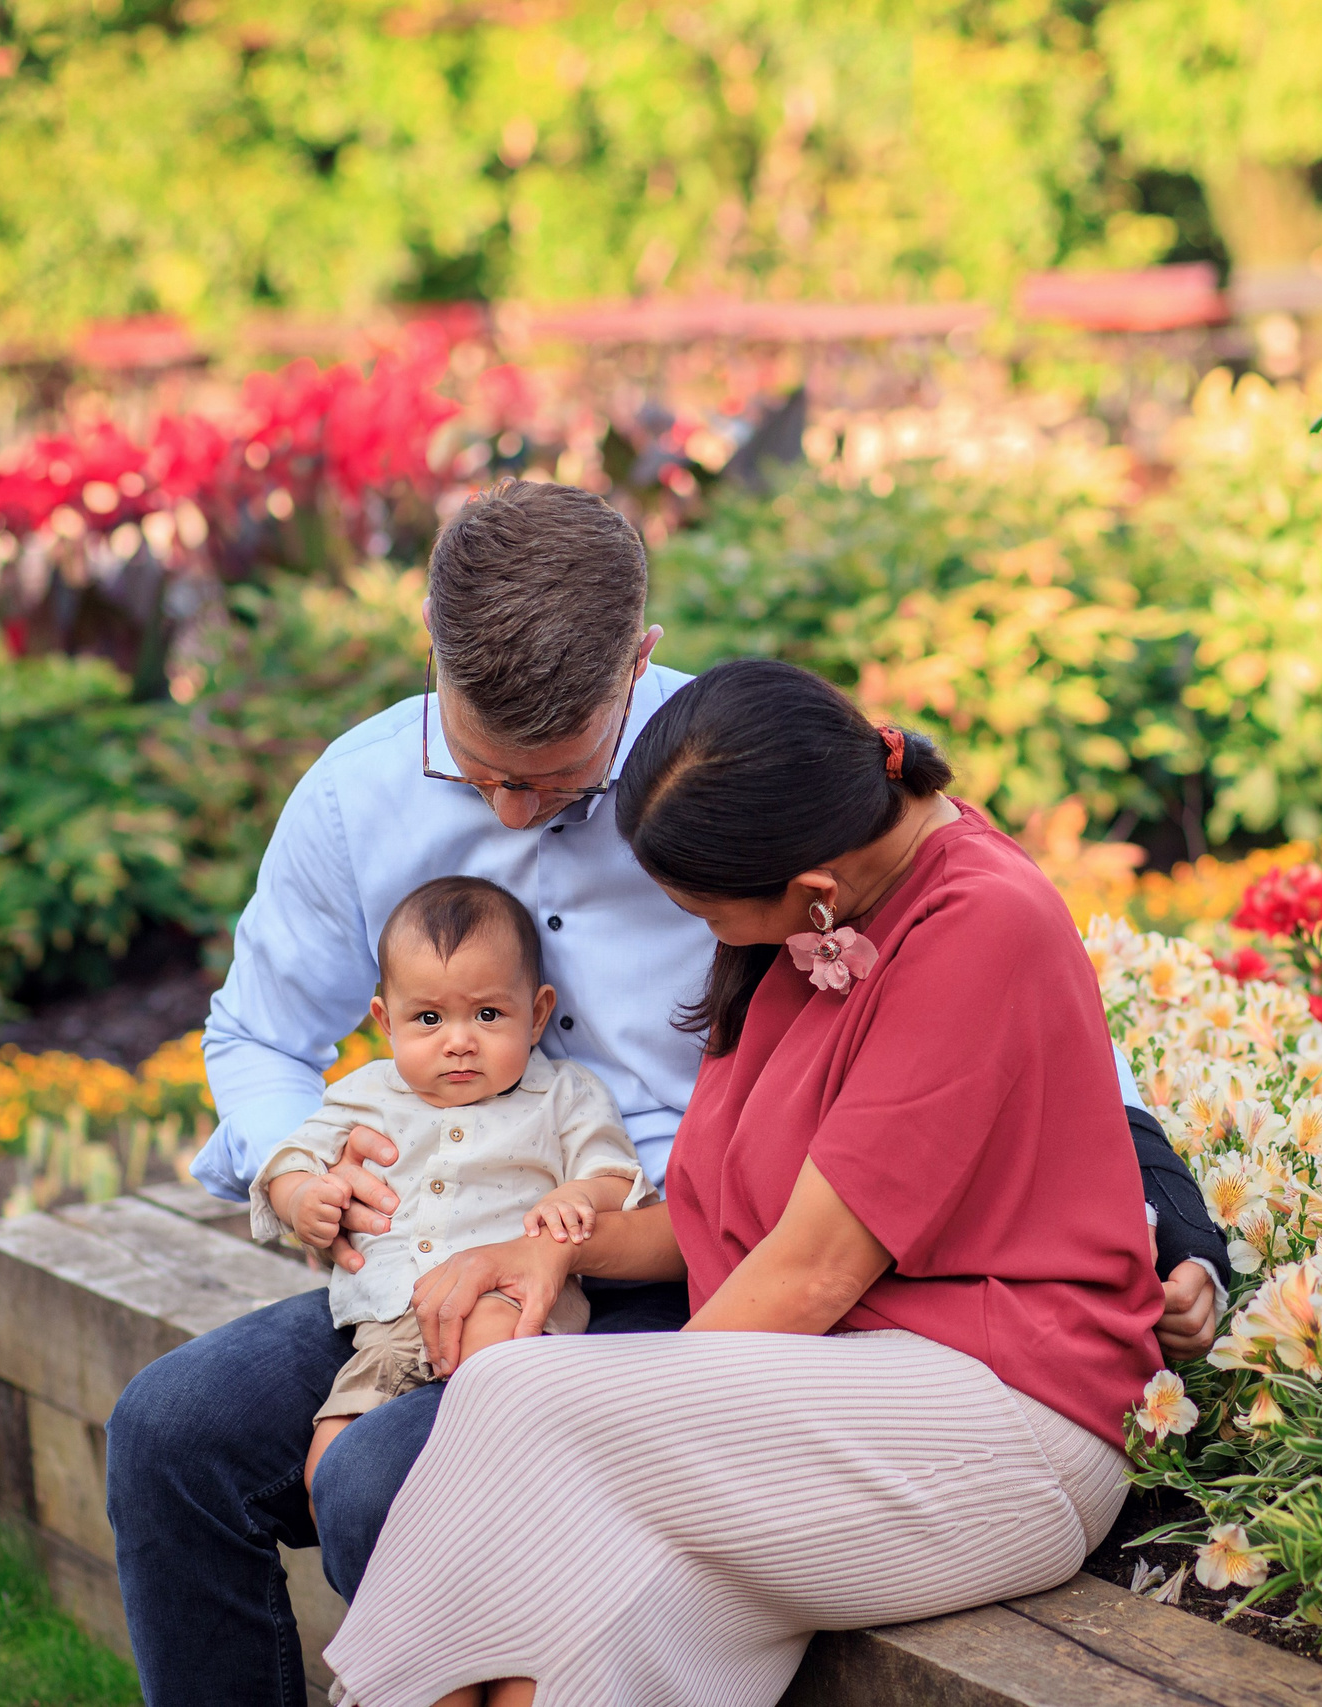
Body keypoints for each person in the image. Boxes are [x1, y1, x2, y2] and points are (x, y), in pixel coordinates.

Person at [104, 479, 1225, 1707]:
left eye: (554, 778)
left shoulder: (757, 805)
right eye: (483, 776)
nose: (514, 816)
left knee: (408, 1474)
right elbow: (258, 1035)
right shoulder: (360, 796)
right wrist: (313, 1177)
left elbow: (1042, 1067)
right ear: (431, 654)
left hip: (741, 1298)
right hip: (520, 1236)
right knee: (172, 1436)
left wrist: (1182, 1235)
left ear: (635, 668)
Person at [323, 658, 1163, 1707]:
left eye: (704, 910)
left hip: (1001, 1425)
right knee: (552, 1668)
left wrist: (620, 1413)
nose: (699, 932)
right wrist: (556, 1247)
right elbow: (720, 1217)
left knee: (515, 1398)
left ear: (809, 894)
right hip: (830, 1398)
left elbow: (809, 1276)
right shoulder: (837, 888)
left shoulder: (977, 924)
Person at [248, 876, 648, 1504]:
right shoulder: (368, 1093)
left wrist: (581, 1197)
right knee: (327, 1467)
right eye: (428, 1018)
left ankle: (490, 1486)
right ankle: (380, 1594)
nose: (459, 1040)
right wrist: (301, 1198)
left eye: (488, 1015)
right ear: (386, 1021)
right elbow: (291, 1158)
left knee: (486, 1354)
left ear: (537, 1013)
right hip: (386, 1326)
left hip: (510, 1302)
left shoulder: (564, 1094)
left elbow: (615, 1176)